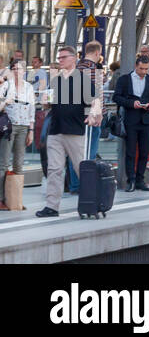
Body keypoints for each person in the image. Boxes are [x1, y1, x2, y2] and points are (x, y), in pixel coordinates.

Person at [36, 46, 101, 217]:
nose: (60, 60)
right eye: (59, 58)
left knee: (81, 168)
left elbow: (95, 100)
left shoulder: (82, 79)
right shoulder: (56, 80)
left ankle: (93, 202)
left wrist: (94, 114)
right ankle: (52, 206)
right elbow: (50, 102)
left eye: (64, 57)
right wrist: (45, 102)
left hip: (74, 130)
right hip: (55, 130)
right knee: (54, 169)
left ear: (74, 58)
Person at [112, 53, 149, 192]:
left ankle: (140, 179)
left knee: (144, 151)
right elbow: (116, 97)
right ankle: (131, 180)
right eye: (141, 69)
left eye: (146, 69)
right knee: (130, 151)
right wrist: (131, 103)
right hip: (131, 119)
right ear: (136, 66)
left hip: (146, 119)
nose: (143, 72)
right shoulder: (125, 80)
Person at [0, 59, 35, 206]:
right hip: (8, 127)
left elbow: (32, 109)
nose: (16, 71)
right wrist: (6, 102)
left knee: (19, 163)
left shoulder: (28, 87)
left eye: (19, 68)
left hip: (23, 127)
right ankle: (1, 198)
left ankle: (15, 199)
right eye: (13, 68)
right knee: (3, 163)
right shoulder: (5, 86)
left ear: (24, 71)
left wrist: (31, 130)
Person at [76, 40, 105, 161]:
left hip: (76, 115)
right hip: (90, 116)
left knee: (76, 154)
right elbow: (95, 95)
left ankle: (75, 180)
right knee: (88, 153)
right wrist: (99, 113)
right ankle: (84, 179)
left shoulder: (76, 67)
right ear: (97, 53)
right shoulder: (92, 69)